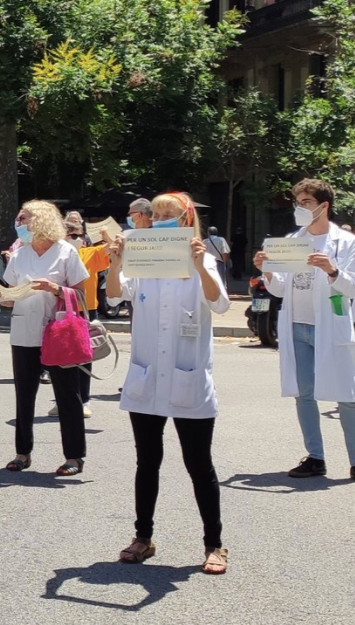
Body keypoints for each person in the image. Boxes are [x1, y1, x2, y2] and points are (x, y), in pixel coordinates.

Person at [105, 191, 230, 574]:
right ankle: (143, 537)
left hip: (187, 379)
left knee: (199, 464)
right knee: (147, 462)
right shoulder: (141, 259)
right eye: (155, 213)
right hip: (147, 379)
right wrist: (115, 263)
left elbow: (221, 304)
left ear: (185, 218)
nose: (159, 218)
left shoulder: (202, 257)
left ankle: (215, 544)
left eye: (168, 214)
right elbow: (112, 296)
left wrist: (200, 266)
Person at [256, 178, 355, 487]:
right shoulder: (292, 240)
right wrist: (268, 270)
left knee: (348, 394)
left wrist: (331, 270)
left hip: (331, 325)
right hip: (297, 326)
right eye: (298, 202)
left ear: (323, 206)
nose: (299, 208)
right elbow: (281, 287)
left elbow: (354, 286)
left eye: (306, 203)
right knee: (304, 394)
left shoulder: (346, 243)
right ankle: (315, 456)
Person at [0, 200, 90, 476]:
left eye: (25, 219)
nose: (19, 223)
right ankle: (22, 452)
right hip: (24, 332)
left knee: (68, 396)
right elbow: (11, 296)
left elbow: (82, 296)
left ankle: (74, 456)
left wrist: (56, 289)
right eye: (19, 219)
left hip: (58, 333)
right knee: (24, 395)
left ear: (42, 221)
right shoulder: (20, 253)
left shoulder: (66, 252)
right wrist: (1, 297)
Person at [60, 216, 109, 418]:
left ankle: (84, 400)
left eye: (79, 235)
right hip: (62, 309)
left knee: (84, 357)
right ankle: (65, 400)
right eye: (72, 235)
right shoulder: (56, 255)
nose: (77, 238)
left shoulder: (89, 253)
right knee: (62, 358)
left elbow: (111, 248)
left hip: (85, 310)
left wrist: (105, 233)